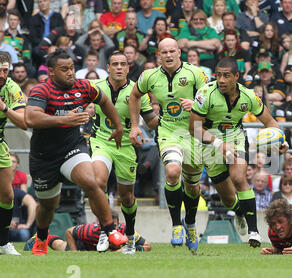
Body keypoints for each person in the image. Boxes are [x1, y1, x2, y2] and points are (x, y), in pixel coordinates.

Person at [24, 49, 128, 255]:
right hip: (44, 157)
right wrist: (64, 119)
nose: (70, 73)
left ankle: (110, 231)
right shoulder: (41, 90)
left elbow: (105, 102)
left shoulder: (84, 86)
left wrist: (118, 127)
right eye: (64, 69)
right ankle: (42, 237)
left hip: (72, 148)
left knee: (91, 182)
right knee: (47, 206)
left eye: (72, 68)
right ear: (52, 72)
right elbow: (30, 118)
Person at [189, 57, 288, 247]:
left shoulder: (248, 96)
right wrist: (218, 143)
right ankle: (239, 211)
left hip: (235, 137)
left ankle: (254, 232)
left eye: (227, 76)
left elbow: (270, 122)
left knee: (238, 178)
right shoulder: (205, 94)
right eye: (219, 75)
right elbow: (194, 128)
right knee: (227, 198)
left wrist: (282, 142)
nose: (222, 80)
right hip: (209, 141)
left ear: (236, 76)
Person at [128, 38, 209, 252]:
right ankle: (175, 225)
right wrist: (135, 126)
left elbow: (211, 98)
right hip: (168, 132)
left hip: (193, 132)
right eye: (164, 52)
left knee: (192, 185)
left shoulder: (195, 73)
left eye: (172, 51)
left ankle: (190, 224)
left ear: (179, 52)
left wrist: (196, 104)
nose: (169, 55)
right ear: (158, 55)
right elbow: (134, 96)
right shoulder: (149, 76)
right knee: (172, 172)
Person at [90, 51, 157, 254]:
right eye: (115, 64)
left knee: (127, 197)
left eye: (123, 64)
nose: (119, 67)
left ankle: (129, 235)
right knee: (98, 182)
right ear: (108, 67)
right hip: (101, 140)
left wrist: (171, 121)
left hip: (127, 146)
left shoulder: (138, 92)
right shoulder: (96, 88)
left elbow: (151, 120)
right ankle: (105, 230)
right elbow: (79, 105)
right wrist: (80, 111)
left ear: (128, 68)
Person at [0, 52, 27, 255]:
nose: (2, 74)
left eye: (5, 70)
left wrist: (5, 108)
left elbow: (23, 121)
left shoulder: (11, 88)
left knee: (7, 195)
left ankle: (2, 243)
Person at [24, 211, 152, 252]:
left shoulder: (126, 230)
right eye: (108, 227)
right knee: (62, 246)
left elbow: (147, 246)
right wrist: (73, 253)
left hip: (101, 249)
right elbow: (69, 231)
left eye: (115, 225)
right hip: (86, 245)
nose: (112, 229)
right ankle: (41, 237)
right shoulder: (91, 231)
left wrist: (135, 249)